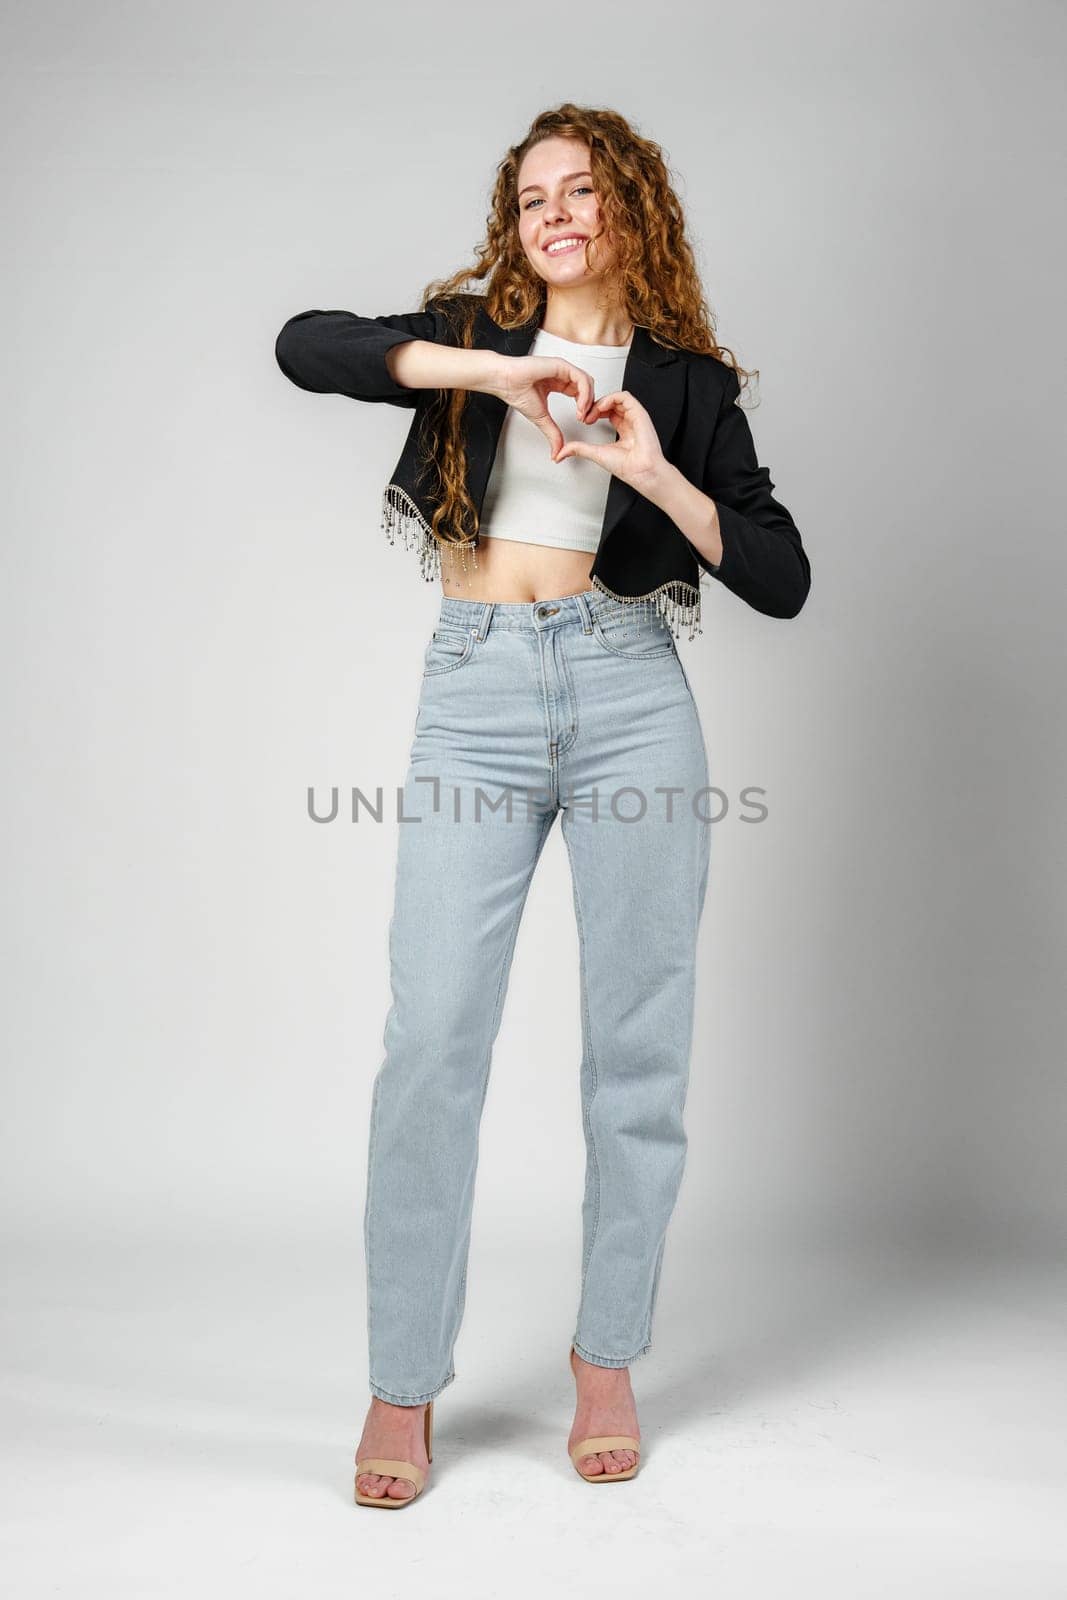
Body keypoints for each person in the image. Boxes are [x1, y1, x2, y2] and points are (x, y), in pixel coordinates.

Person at [275, 102, 811, 1507]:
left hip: (633, 693)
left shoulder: (689, 385)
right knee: (434, 1035)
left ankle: (608, 1354)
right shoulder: (475, 338)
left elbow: (777, 570)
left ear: (632, 204)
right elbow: (306, 344)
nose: (557, 216)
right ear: (514, 228)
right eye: (532, 201)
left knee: (640, 1048)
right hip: (480, 687)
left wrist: (647, 467)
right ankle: (404, 1381)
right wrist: (493, 376)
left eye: (582, 192)